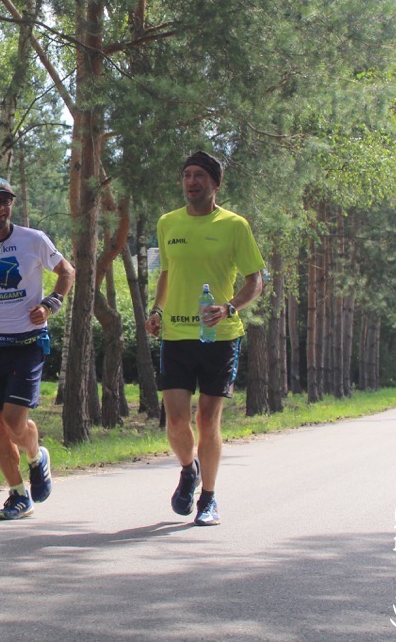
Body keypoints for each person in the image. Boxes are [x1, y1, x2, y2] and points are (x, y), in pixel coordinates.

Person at [144, 151, 264, 527]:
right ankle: (188, 469)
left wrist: (229, 308)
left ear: (216, 183)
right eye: (187, 175)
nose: (191, 182)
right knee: (177, 421)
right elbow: (165, 273)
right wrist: (157, 310)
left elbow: (255, 280)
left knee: (208, 419)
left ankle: (208, 499)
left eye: (199, 176)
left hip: (219, 337)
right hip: (176, 335)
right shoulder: (167, 223)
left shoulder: (235, 225)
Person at [0, 176, 75, 520]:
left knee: (13, 420)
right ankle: (19, 495)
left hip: (27, 343)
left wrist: (50, 304)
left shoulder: (33, 239)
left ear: (11, 206)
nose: (0, 208)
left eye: (5, 202)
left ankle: (37, 456)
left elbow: (67, 271)